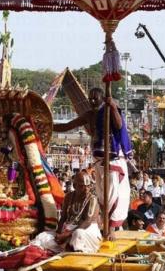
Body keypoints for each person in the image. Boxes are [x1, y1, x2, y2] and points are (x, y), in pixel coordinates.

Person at [53, 87, 132, 236]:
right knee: (101, 194)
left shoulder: (109, 111)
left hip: (113, 159)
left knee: (113, 194)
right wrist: (48, 126)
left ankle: (112, 229)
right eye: (90, 98)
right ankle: (106, 227)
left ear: (102, 98)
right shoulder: (89, 115)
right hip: (98, 160)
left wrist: (113, 106)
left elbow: (119, 125)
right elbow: (67, 126)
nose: (92, 101)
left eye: (95, 98)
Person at [31, 172, 101, 253]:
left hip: (87, 231)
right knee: (43, 236)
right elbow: (63, 217)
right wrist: (58, 233)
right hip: (68, 229)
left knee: (78, 234)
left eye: (88, 186)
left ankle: (73, 250)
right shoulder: (68, 197)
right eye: (82, 186)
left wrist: (68, 234)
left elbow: (87, 222)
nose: (86, 189)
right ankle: (66, 247)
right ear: (75, 186)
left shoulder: (92, 199)